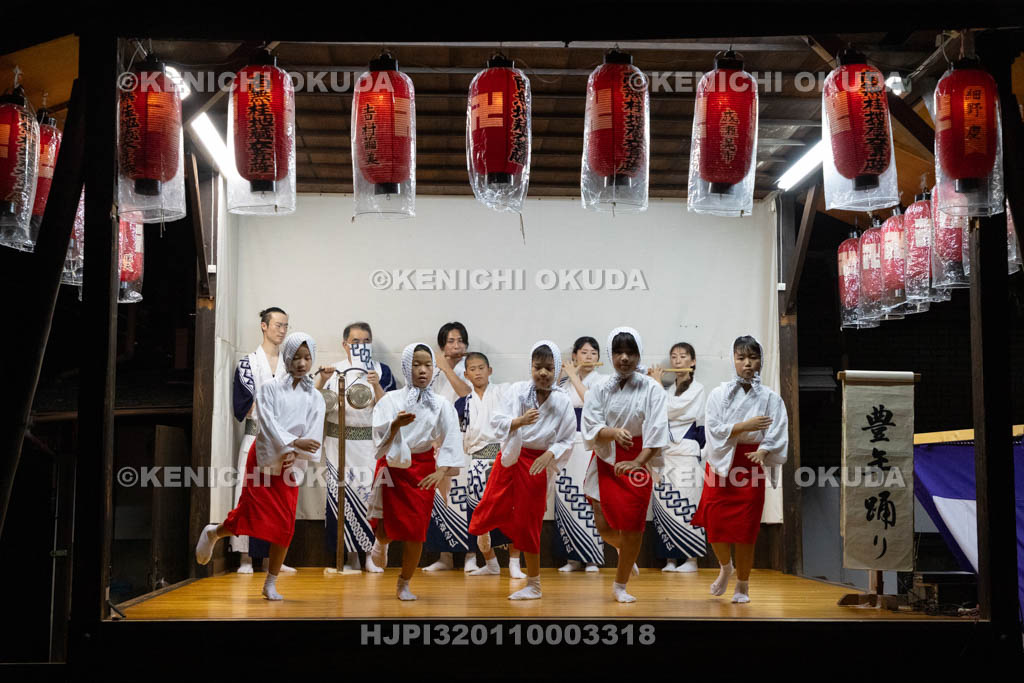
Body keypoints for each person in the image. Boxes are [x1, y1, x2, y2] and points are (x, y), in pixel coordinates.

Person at [196, 333, 327, 600]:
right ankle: (214, 532)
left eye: (307, 357)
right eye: (296, 357)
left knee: (286, 523)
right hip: (266, 455)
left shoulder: (316, 398)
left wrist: (296, 451)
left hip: (292, 464)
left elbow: (313, 437)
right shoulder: (268, 388)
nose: (302, 363)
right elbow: (267, 423)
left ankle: (270, 582)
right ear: (287, 357)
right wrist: (291, 444)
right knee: (250, 513)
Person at [468, 340, 576, 600]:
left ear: (557, 370)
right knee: (487, 510)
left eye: (549, 368)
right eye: (538, 367)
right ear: (531, 367)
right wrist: (519, 421)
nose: (543, 373)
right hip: (510, 458)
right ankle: (491, 560)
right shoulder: (518, 391)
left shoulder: (562, 402)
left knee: (528, 523)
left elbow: (567, 439)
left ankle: (534, 583)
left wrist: (550, 454)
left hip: (537, 463)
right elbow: (497, 422)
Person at [691, 335, 789, 604]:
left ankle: (742, 585)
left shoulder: (770, 398)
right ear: (733, 360)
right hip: (722, 461)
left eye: (753, 358)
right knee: (713, 521)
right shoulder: (718, 394)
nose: (747, 363)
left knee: (746, 530)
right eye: (741, 358)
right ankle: (725, 567)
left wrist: (765, 450)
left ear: (760, 361)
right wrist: (745, 426)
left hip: (752, 463)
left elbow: (778, 429)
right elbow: (712, 429)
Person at [368, 343, 463, 601]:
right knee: (387, 527)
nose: (422, 370)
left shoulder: (442, 404)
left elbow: (452, 438)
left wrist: (441, 471)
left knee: (416, 529)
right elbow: (378, 432)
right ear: (406, 367)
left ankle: (404, 583)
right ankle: (381, 542)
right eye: (416, 364)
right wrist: (395, 425)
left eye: (427, 365)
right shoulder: (391, 400)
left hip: (423, 470)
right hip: (394, 465)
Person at [582, 327, 669, 603]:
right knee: (603, 524)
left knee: (632, 526)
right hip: (607, 455)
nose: (624, 358)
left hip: (639, 458)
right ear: (611, 355)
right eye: (618, 352)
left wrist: (637, 462)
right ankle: (626, 553)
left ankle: (620, 585)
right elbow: (591, 424)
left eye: (630, 353)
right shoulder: (600, 388)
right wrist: (612, 433)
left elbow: (657, 431)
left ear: (638, 355)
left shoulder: (652, 388)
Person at [315, 322, 397, 572]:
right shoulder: (333, 371)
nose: (361, 346)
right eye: (356, 342)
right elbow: (312, 404)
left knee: (372, 499)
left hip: (370, 446)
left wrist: (376, 384)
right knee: (341, 500)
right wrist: (321, 379)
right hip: (338, 444)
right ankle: (348, 556)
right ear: (345, 345)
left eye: (365, 342)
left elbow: (392, 409)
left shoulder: (381, 371)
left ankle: (372, 556)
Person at [229, 307, 293, 574]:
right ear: (264, 326)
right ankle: (245, 556)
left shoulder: (291, 365)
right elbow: (242, 406)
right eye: (277, 324)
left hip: (283, 443)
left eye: (285, 326)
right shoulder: (248, 363)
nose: (281, 330)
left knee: (278, 500)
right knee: (249, 495)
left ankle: (272, 560)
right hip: (256, 436)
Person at [453, 352, 514, 575]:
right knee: (478, 515)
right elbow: (455, 435)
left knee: (510, 513)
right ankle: (491, 564)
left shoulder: (504, 393)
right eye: (473, 369)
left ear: (490, 370)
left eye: (481, 367)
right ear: (466, 374)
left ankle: (515, 564)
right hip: (476, 462)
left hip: (502, 459)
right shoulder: (462, 403)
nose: (478, 372)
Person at [648, 342, 707, 573]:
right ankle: (669, 558)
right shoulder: (667, 389)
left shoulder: (698, 388)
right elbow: (656, 412)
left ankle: (691, 559)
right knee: (664, 503)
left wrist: (655, 386)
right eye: (674, 357)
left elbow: (678, 409)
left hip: (685, 454)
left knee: (688, 504)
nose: (678, 361)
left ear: (692, 361)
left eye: (683, 356)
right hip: (665, 454)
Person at [422, 321, 474, 572]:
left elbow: (467, 394)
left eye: (460, 341)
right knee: (442, 498)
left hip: (465, 438)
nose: (456, 346)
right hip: (438, 439)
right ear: (442, 345)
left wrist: (447, 368)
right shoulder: (432, 370)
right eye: (451, 341)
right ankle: (444, 556)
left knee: (467, 495)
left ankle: (471, 556)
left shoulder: (472, 367)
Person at [553, 336, 605, 573]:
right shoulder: (563, 384)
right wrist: (563, 375)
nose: (589, 357)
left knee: (589, 496)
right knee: (567, 496)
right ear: (574, 356)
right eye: (584, 353)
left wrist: (573, 376)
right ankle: (572, 556)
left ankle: (593, 556)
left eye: (593, 353)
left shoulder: (602, 381)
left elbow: (590, 401)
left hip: (589, 442)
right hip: (566, 443)